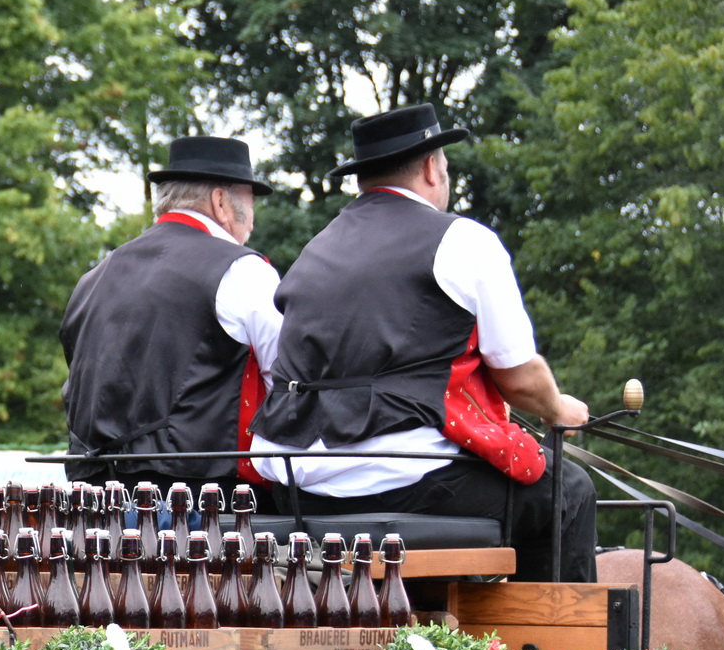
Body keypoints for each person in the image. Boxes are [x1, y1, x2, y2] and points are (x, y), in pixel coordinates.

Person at [248, 103, 595, 582]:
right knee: (569, 491)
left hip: (299, 487)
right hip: (405, 479)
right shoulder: (463, 240)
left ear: (364, 177)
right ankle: (552, 634)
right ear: (433, 168)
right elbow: (519, 378)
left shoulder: (316, 248)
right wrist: (558, 410)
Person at [59, 136, 284, 498]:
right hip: (203, 501)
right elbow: (288, 382)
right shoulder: (243, 270)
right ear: (221, 202)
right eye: (251, 203)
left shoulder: (93, 277)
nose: (252, 223)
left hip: (93, 497)